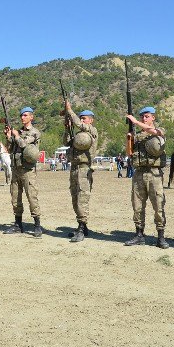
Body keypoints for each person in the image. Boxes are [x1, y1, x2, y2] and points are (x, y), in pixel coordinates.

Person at [124, 106, 169, 249]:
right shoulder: (138, 135)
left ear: (153, 118)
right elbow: (130, 153)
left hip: (154, 174)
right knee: (137, 206)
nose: (144, 118)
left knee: (158, 205)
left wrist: (136, 122)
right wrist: (129, 139)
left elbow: (155, 132)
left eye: (147, 116)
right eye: (142, 116)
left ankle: (161, 236)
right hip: (138, 173)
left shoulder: (160, 131)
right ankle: (139, 235)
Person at [62, 102, 98, 243]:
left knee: (82, 198)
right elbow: (66, 142)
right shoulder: (79, 135)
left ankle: (82, 228)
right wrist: (67, 129)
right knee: (75, 198)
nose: (82, 120)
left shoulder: (92, 131)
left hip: (84, 168)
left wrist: (70, 111)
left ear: (91, 120)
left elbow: (80, 125)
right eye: (81, 118)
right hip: (74, 167)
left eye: (85, 118)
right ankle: (82, 226)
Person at [4, 107, 42, 237]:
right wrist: (9, 138)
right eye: (21, 115)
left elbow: (23, 144)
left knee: (32, 197)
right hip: (16, 169)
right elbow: (10, 149)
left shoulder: (35, 132)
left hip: (28, 170)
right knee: (15, 197)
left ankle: (37, 225)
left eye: (25, 115)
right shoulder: (18, 132)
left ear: (31, 117)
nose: (22, 117)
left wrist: (16, 135)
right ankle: (17, 224)